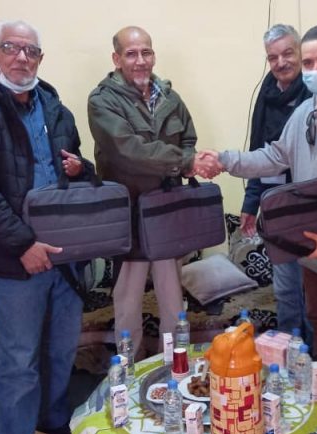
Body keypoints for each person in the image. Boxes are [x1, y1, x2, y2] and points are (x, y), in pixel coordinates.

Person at [200, 25, 317, 431]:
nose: (315, 69)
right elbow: (275, 156)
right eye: (309, 62)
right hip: (310, 249)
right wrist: (226, 160)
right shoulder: (305, 113)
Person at [0, 20, 92, 434]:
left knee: (61, 351)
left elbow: (76, 169)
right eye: (11, 48)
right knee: (20, 360)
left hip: (64, 254)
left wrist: (80, 169)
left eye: (31, 51)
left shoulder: (55, 107)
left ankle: (52, 422)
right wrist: (23, 244)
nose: (21, 58)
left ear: (40, 58)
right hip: (15, 258)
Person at [88, 26, 216, 360]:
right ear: (116, 58)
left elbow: (188, 139)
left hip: (167, 213)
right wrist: (184, 162)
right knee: (127, 303)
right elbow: (128, 151)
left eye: (146, 52)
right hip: (129, 216)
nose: (140, 60)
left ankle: (174, 366)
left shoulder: (171, 97)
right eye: (131, 54)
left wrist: (189, 160)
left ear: (153, 55)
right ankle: (128, 372)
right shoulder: (102, 101)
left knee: (173, 302)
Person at [242, 24, 312, 342]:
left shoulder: (315, 93)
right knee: (285, 290)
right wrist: (250, 204)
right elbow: (259, 154)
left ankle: (316, 359)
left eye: (287, 53)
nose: (281, 62)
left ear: (300, 52)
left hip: (311, 207)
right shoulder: (266, 95)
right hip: (277, 208)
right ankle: (287, 353)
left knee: (313, 293)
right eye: (273, 57)